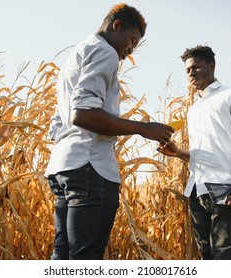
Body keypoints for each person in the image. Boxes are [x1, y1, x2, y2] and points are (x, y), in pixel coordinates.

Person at [44, 3, 174, 260]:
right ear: (116, 26)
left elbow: (57, 123)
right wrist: (144, 128)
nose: (130, 51)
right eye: (132, 40)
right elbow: (82, 113)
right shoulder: (105, 51)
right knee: (85, 260)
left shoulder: (76, 55)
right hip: (89, 168)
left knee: (64, 255)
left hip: (64, 168)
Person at [157, 45, 231, 260]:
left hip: (226, 189)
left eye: (196, 67)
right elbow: (204, 155)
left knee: (225, 257)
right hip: (196, 190)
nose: (191, 73)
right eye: (187, 70)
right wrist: (178, 153)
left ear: (211, 66)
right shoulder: (194, 109)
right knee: (206, 256)